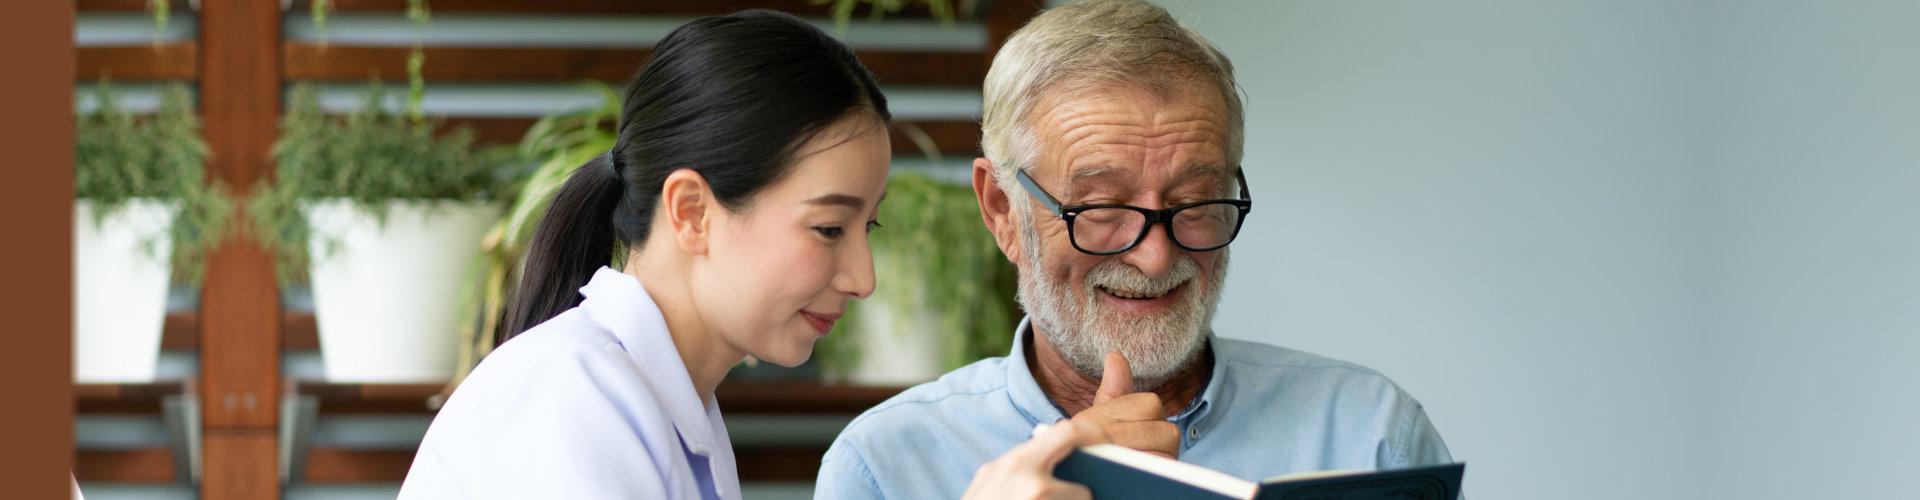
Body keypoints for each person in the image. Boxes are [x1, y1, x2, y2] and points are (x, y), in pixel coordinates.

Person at [397, 10, 1110, 500]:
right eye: (829, 229)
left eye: (870, 229)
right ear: (691, 212)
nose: (862, 279)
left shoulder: (673, 408)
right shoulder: (569, 396)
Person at [815, 1, 1459, 498]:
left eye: (1196, 202)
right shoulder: (887, 466)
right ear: (1002, 211)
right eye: (1101, 210)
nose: (1155, 258)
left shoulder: (1372, 435)